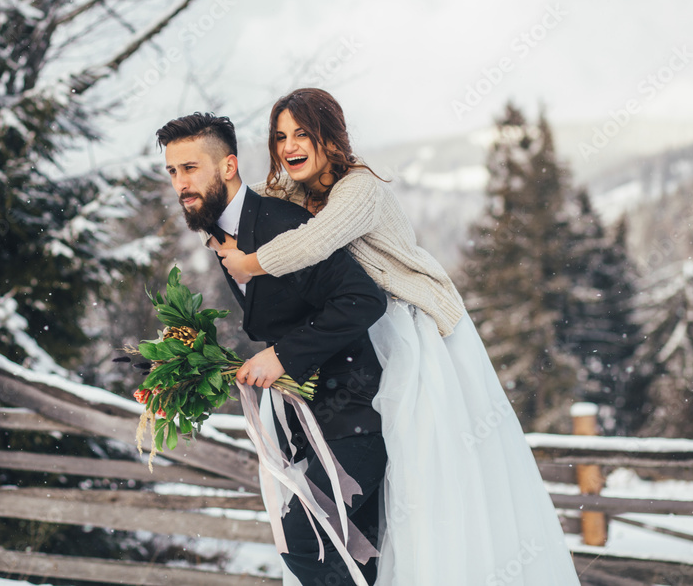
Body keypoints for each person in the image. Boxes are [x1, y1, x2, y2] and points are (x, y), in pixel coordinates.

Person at [215, 88, 582, 585]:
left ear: (331, 137)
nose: (289, 146)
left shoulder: (359, 186)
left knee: (424, 461)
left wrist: (249, 261)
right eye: (280, 136)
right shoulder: (293, 192)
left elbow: (315, 241)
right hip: (365, 335)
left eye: (303, 133)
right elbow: (243, 205)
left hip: (414, 327)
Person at [156, 112, 389, 584]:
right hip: (308, 422)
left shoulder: (281, 223)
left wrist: (281, 357)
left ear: (228, 167)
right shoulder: (220, 232)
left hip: (354, 419)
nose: (181, 182)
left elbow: (364, 300)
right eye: (173, 172)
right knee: (358, 557)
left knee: (305, 539)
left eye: (191, 168)